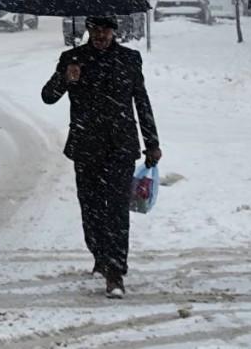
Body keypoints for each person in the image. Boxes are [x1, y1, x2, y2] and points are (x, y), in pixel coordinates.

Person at [41, 16, 161, 299]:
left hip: (120, 145)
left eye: (106, 30)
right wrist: (65, 78)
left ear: (114, 31)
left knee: (117, 209)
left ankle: (116, 270)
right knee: (91, 208)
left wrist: (152, 142)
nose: (101, 35)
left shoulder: (129, 59)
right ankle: (99, 254)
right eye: (95, 29)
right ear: (87, 31)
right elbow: (48, 96)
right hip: (85, 145)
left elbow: (141, 101)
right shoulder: (72, 58)